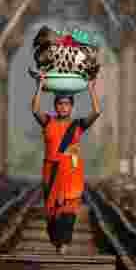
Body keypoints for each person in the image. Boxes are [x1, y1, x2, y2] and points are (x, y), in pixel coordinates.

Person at [32, 74, 102, 254]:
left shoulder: (78, 125)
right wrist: (39, 86)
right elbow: (35, 109)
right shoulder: (48, 121)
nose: (63, 107)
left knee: (69, 212)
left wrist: (91, 89)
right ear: (55, 106)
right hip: (52, 174)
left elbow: (96, 112)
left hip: (71, 175)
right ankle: (57, 242)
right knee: (52, 214)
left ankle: (64, 244)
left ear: (71, 107)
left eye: (67, 104)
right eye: (60, 104)